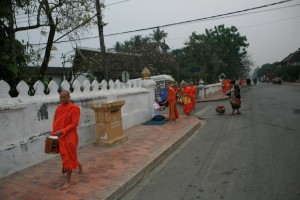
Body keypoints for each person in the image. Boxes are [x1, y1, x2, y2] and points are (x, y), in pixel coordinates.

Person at [50, 90, 83, 190]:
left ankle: (68, 181)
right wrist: (54, 133)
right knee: (65, 155)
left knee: (68, 156)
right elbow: (56, 122)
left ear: (69, 97)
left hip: (70, 136)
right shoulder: (59, 108)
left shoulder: (74, 108)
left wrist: (63, 131)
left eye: (64, 97)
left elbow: (74, 124)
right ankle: (79, 166)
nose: (62, 99)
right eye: (60, 97)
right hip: (59, 135)